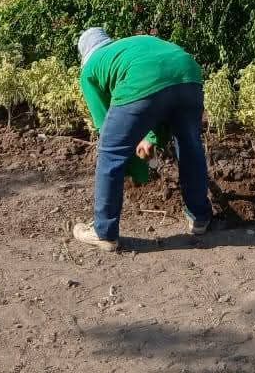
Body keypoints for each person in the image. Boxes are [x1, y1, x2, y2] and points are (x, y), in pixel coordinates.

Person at [73, 28, 214, 251]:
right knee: (189, 145)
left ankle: (104, 232)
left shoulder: (90, 68)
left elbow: (105, 124)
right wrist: (149, 138)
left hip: (145, 80)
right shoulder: (130, 46)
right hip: (189, 74)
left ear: (85, 53)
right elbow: (163, 92)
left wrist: (134, 159)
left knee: (110, 152)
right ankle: (200, 217)